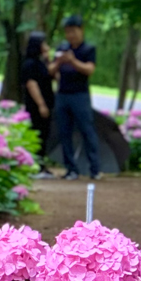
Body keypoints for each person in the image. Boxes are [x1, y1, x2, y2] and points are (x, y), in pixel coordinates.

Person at [53, 15, 100, 179]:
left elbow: (89, 69)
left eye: (73, 31)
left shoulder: (88, 50)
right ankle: (71, 168)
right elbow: (51, 71)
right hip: (63, 94)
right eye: (67, 32)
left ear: (81, 31)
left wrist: (73, 61)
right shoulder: (62, 48)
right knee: (64, 132)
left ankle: (94, 169)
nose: (70, 35)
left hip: (80, 95)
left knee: (87, 131)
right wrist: (59, 62)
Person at [19, 33, 55, 173]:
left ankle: (41, 163)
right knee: (38, 132)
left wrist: (49, 61)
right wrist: (41, 104)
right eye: (44, 44)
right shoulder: (30, 64)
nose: (47, 47)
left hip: (46, 102)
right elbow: (31, 84)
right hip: (36, 105)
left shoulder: (42, 63)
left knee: (44, 133)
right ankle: (36, 164)